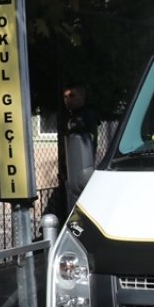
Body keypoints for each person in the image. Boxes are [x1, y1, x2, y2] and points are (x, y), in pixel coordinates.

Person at [60, 84, 100, 216]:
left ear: (82, 97)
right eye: (65, 97)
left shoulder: (87, 115)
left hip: (81, 171)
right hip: (70, 171)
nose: (68, 100)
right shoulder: (71, 116)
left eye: (72, 96)